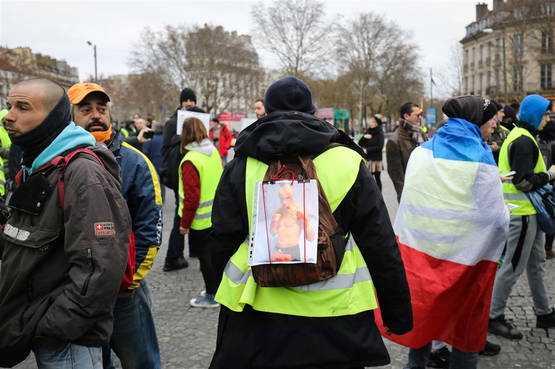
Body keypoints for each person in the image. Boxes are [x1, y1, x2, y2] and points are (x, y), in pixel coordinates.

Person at [209, 77, 412, 369]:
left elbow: (222, 239)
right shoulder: (347, 161)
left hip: (255, 317)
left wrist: (221, 290)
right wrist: (397, 312)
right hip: (337, 317)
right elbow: (379, 243)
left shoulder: (242, 163)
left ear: (265, 110)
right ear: (314, 112)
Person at [0, 78, 131, 369]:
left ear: (53, 117)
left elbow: (101, 267)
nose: (9, 116)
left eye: (23, 107)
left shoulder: (82, 171)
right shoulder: (37, 165)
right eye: (9, 106)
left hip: (67, 341)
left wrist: (53, 327)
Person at [381, 96, 509, 369]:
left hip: (421, 254)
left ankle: (415, 365)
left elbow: (413, 201)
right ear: (477, 122)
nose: (493, 127)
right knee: (465, 326)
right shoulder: (481, 156)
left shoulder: (422, 152)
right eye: (491, 121)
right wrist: (505, 210)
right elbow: (496, 220)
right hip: (464, 260)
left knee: (426, 313)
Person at [68, 82, 163, 369]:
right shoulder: (58, 161)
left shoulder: (136, 162)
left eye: (101, 108)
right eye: (86, 109)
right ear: (70, 116)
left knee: (142, 362)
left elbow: (150, 227)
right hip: (78, 295)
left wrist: (131, 281)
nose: (95, 115)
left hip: (125, 294)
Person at [489, 94, 555, 340]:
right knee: (513, 267)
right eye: (545, 114)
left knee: (536, 263)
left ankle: (544, 311)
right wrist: (549, 175)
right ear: (535, 115)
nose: (547, 119)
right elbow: (524, 182)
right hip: (523, 214)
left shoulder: (520, 136)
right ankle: (493, 317)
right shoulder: (524, 141)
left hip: (528, 213)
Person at [177, 117, 223, 308]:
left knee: (205, 259)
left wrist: (184, 224)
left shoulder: (190, 160)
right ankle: (218, 290)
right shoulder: (212, 151)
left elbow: (191, 197)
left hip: (200, 220)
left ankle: (212, 295)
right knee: (214, 257)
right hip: (217, 215)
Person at [161, 87, 206, 272]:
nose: (189, 103)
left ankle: (194, 249)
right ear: (181, 103)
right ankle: (173, 256)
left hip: (193, 170)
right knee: (181, 215)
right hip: (179, 172)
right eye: (186, 100)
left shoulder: (200, 118)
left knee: (193, 210)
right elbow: (165, 150)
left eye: (192, 100)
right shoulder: (172, 123)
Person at [386, 102, 428, 202]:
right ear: (406, 116)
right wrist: (403, 195)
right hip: (409, 193)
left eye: (421, 115)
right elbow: (395, 173)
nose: (420, 117)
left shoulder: (421, 133)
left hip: (425, 189)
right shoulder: (394, 141)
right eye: (417, 115)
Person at [269, 184, 315, 262]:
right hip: (278, 249)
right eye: (281, 198)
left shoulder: (300, 210)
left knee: (292, 274)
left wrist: (306, 222)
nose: (284, 202)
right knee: (272, 273)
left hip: (292, 250)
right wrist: (274, 222)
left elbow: (310, 238)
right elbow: (272, 233)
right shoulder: (278, 211)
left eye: (287, 198)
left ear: (292, 196)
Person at [358, 115, 385, 190]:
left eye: (372, 122)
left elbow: (380, 146)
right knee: (368, 179)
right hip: (368, 159)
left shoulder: (380, 133)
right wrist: (364, 137)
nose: (370, 123)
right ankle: (371, 194)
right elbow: (360, 144)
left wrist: (367, 150)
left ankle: (379, 194)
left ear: (376, 123)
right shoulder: (368, 131)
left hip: (376, 159)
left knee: (377, 178)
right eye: (370, 121)